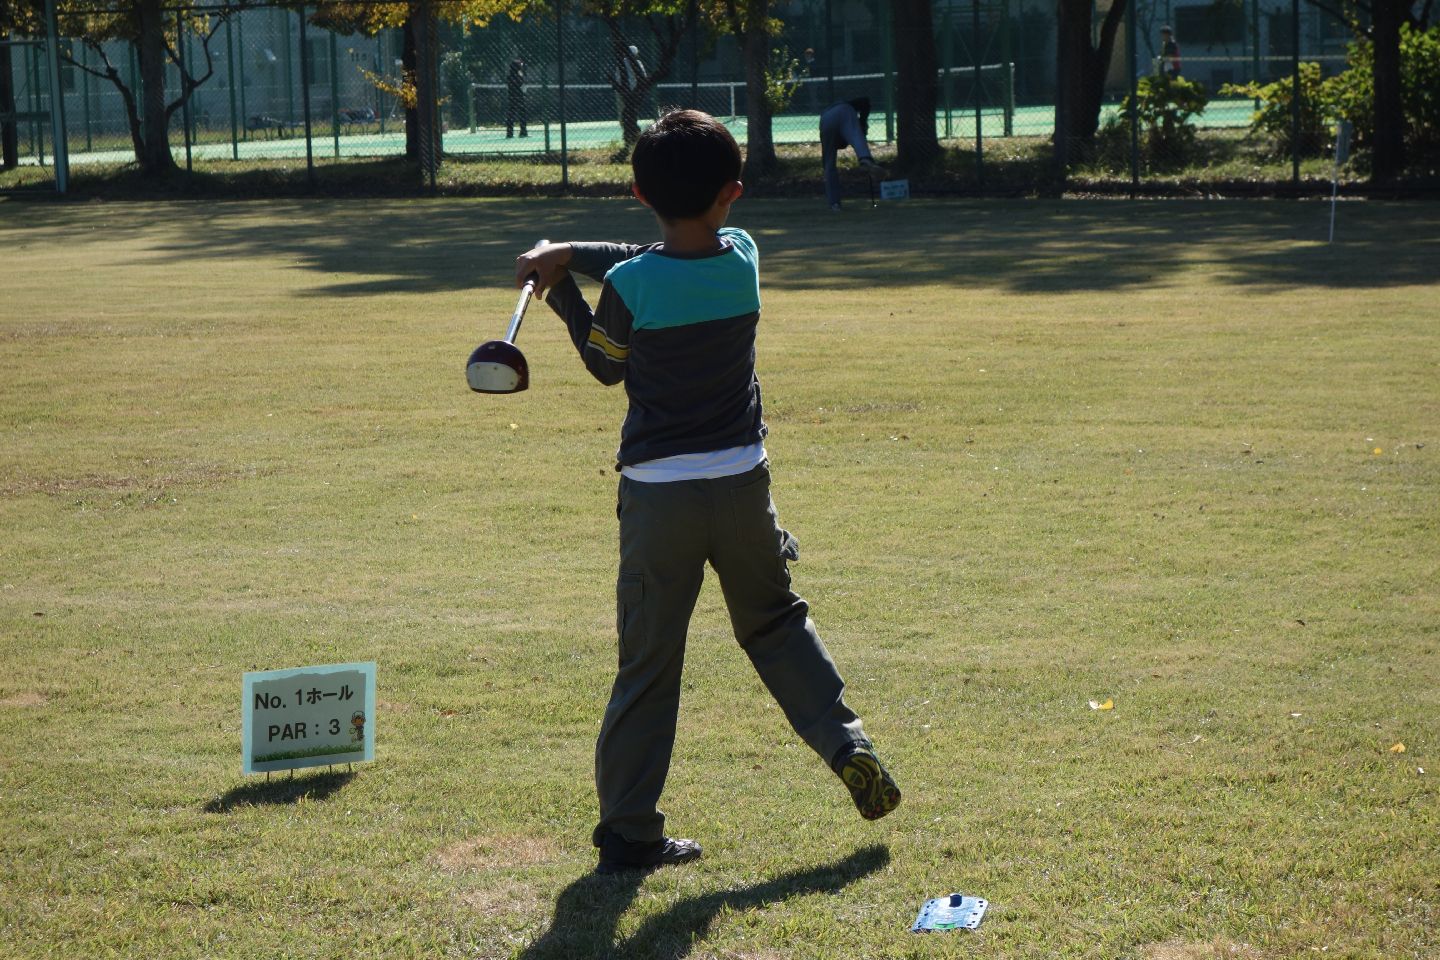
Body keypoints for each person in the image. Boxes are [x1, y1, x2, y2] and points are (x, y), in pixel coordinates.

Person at [512, 109, 902, 875]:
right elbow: (667, 254)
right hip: (744, 490)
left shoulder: (628, 286)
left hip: (661, 501)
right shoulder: (744, 257)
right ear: (734, 193)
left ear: (637, 193)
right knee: (776, 624)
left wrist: (561, 288)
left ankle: (629, 832)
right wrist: (573, 255)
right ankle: (845, 744)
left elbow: (606, 363)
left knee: (650, 662)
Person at [820, 97, 884, 211]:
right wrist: (862, 124)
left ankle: (834, 204)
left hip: (826, 119)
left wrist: (862, 122)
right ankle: (865, 158)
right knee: (856, 137)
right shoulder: (848, 109)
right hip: (845, 110)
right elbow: (865, 102)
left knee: (829, 164)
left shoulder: (829, 117)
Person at [506, 58, 527, 138]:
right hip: (519, 97)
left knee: (511, 114)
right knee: (522, 114)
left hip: (512, 97)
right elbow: (523, 86)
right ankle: (523, 131)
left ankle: (510, 133)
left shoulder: (510, 76)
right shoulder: (519, 75)